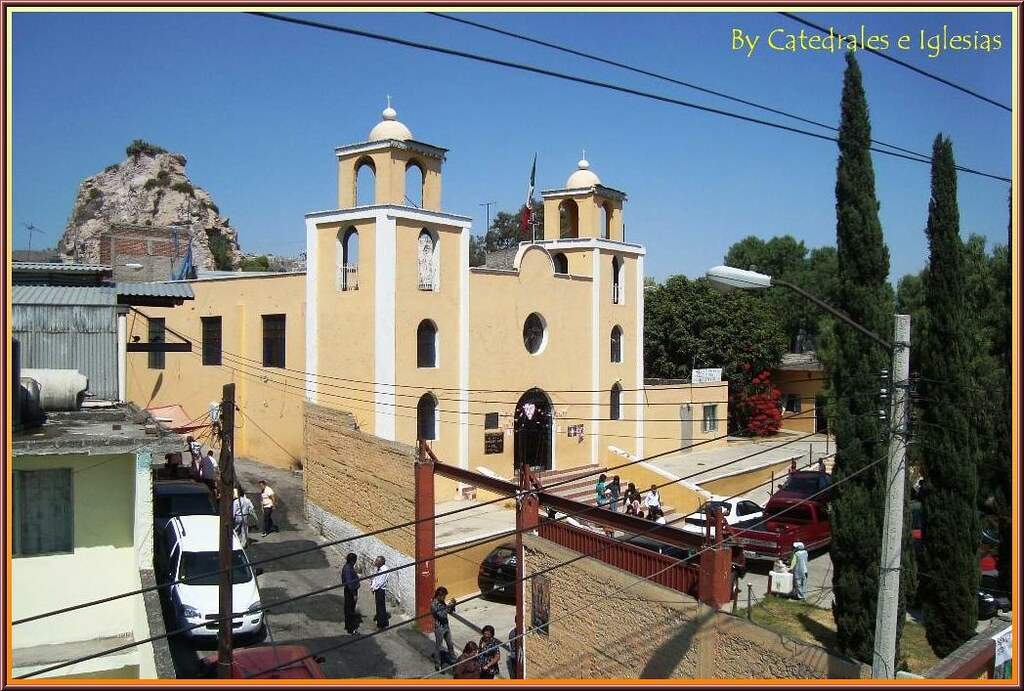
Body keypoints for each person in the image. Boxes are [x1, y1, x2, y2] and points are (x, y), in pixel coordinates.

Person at [430, 586, 457, 670]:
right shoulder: (434, 604)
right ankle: (438, 664)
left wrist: (453, 605)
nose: (444, 598)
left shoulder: (442, 602)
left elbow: (449, 611)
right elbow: (441, 615)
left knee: (450, 644)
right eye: (444, 596)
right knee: (439, 646)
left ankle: (454, 661)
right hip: (439, 628)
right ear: (439, 595)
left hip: (446, 626)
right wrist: (448, 606)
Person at [341, 552, 361, 634]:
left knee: (348, 609)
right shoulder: (348, 569)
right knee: (350, 610)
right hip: (350, 592)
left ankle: (348, 626)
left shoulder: (347, 567)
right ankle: (351, 628)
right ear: (353, 561)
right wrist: (354, 594)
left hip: (348, 590)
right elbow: (349, 583)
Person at [370, 556, 390, 629]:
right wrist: (373, 586)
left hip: (380, 590)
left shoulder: (383, 570)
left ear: (381, 562)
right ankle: (382, 621)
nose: (375, 562)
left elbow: (380, 582)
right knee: (379, 606)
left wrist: (374, 588)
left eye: (377, 561)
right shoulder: (379, 568)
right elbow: (375, 578)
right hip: (378, 589)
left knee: (380, 607)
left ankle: (381, 624)